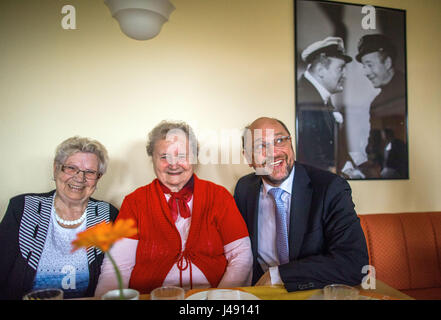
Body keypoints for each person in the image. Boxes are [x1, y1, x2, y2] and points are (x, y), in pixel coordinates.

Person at [95, 121, 252, 296]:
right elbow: (117, 265)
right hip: (152, 296)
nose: (173, 164)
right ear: (152, 159)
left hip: (210, 298)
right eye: (164, 157)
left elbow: (241, 256)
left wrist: (220, 297)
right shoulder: (135, 202)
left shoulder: (219, 196)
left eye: (182, 155)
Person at [234, 117, 368, 292]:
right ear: (248, 157)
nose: (274, 153)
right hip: (261, 293)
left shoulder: (330, 188)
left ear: (291, 144)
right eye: (261, 146)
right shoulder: (244, 189)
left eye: (280, 140)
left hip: (313, 293)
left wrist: (278, 275)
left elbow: (354, 263)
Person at [0, 136, 118, 300]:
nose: (80, 178)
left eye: (90, 172)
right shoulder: (22, 208)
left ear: (98, 178)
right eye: (71, 168)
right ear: (56, 169)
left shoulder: (107, 214)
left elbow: (115, 273)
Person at [296, 36, 353, 176]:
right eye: (340, 68)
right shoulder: (306, 99)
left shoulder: (319, 97)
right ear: (321, 70)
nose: (345, 75)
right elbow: (313, 156)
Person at [356, 34, 408, 179]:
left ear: (387, 63)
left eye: (370, 65)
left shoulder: (408, 92)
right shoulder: (377, 103)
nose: (366, 72)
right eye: (364, 66)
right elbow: (374, 146)